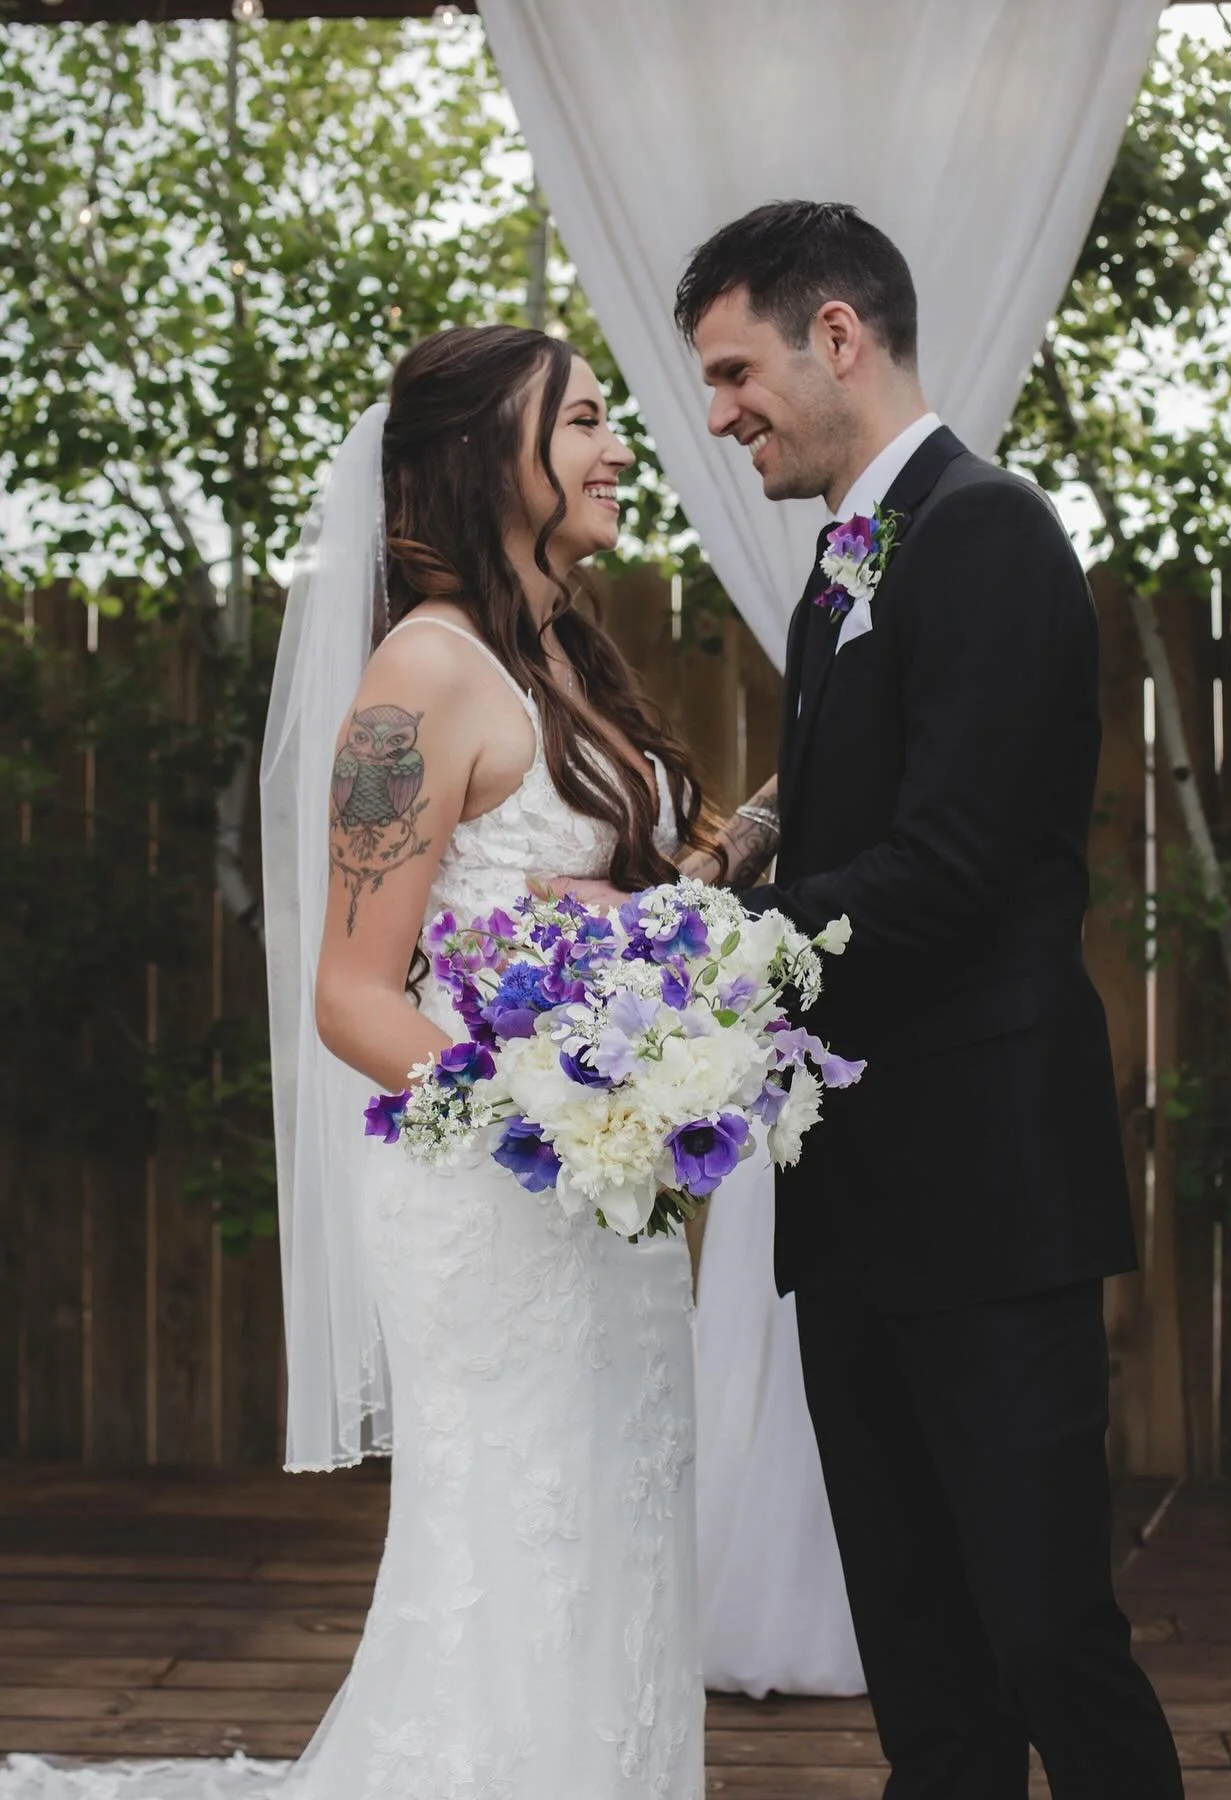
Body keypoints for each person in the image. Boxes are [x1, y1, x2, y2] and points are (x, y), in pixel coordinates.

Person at [672, 201, 1185, 1800]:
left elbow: (953, 866)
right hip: (866, 1198)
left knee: (1045, 1638)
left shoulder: (987, 531)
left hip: (984, 1194)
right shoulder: (858, 549)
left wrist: (702, 955)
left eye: (736, 368)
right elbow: (871, 789)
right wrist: (751, 834)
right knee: (926, 1671)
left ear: (840, 337)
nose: (720, 412)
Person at [258, 323, 772, 1800]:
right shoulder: (420, 674)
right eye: (587, 423)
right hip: (498, 1197)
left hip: (599, 1197)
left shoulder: (557, 650)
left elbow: (621, 894)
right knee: (516, 1550)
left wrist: (706, 904)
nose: (621, 452)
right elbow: (355, 994)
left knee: (622, 1530)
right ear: (496, 455)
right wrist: (555, 1114)